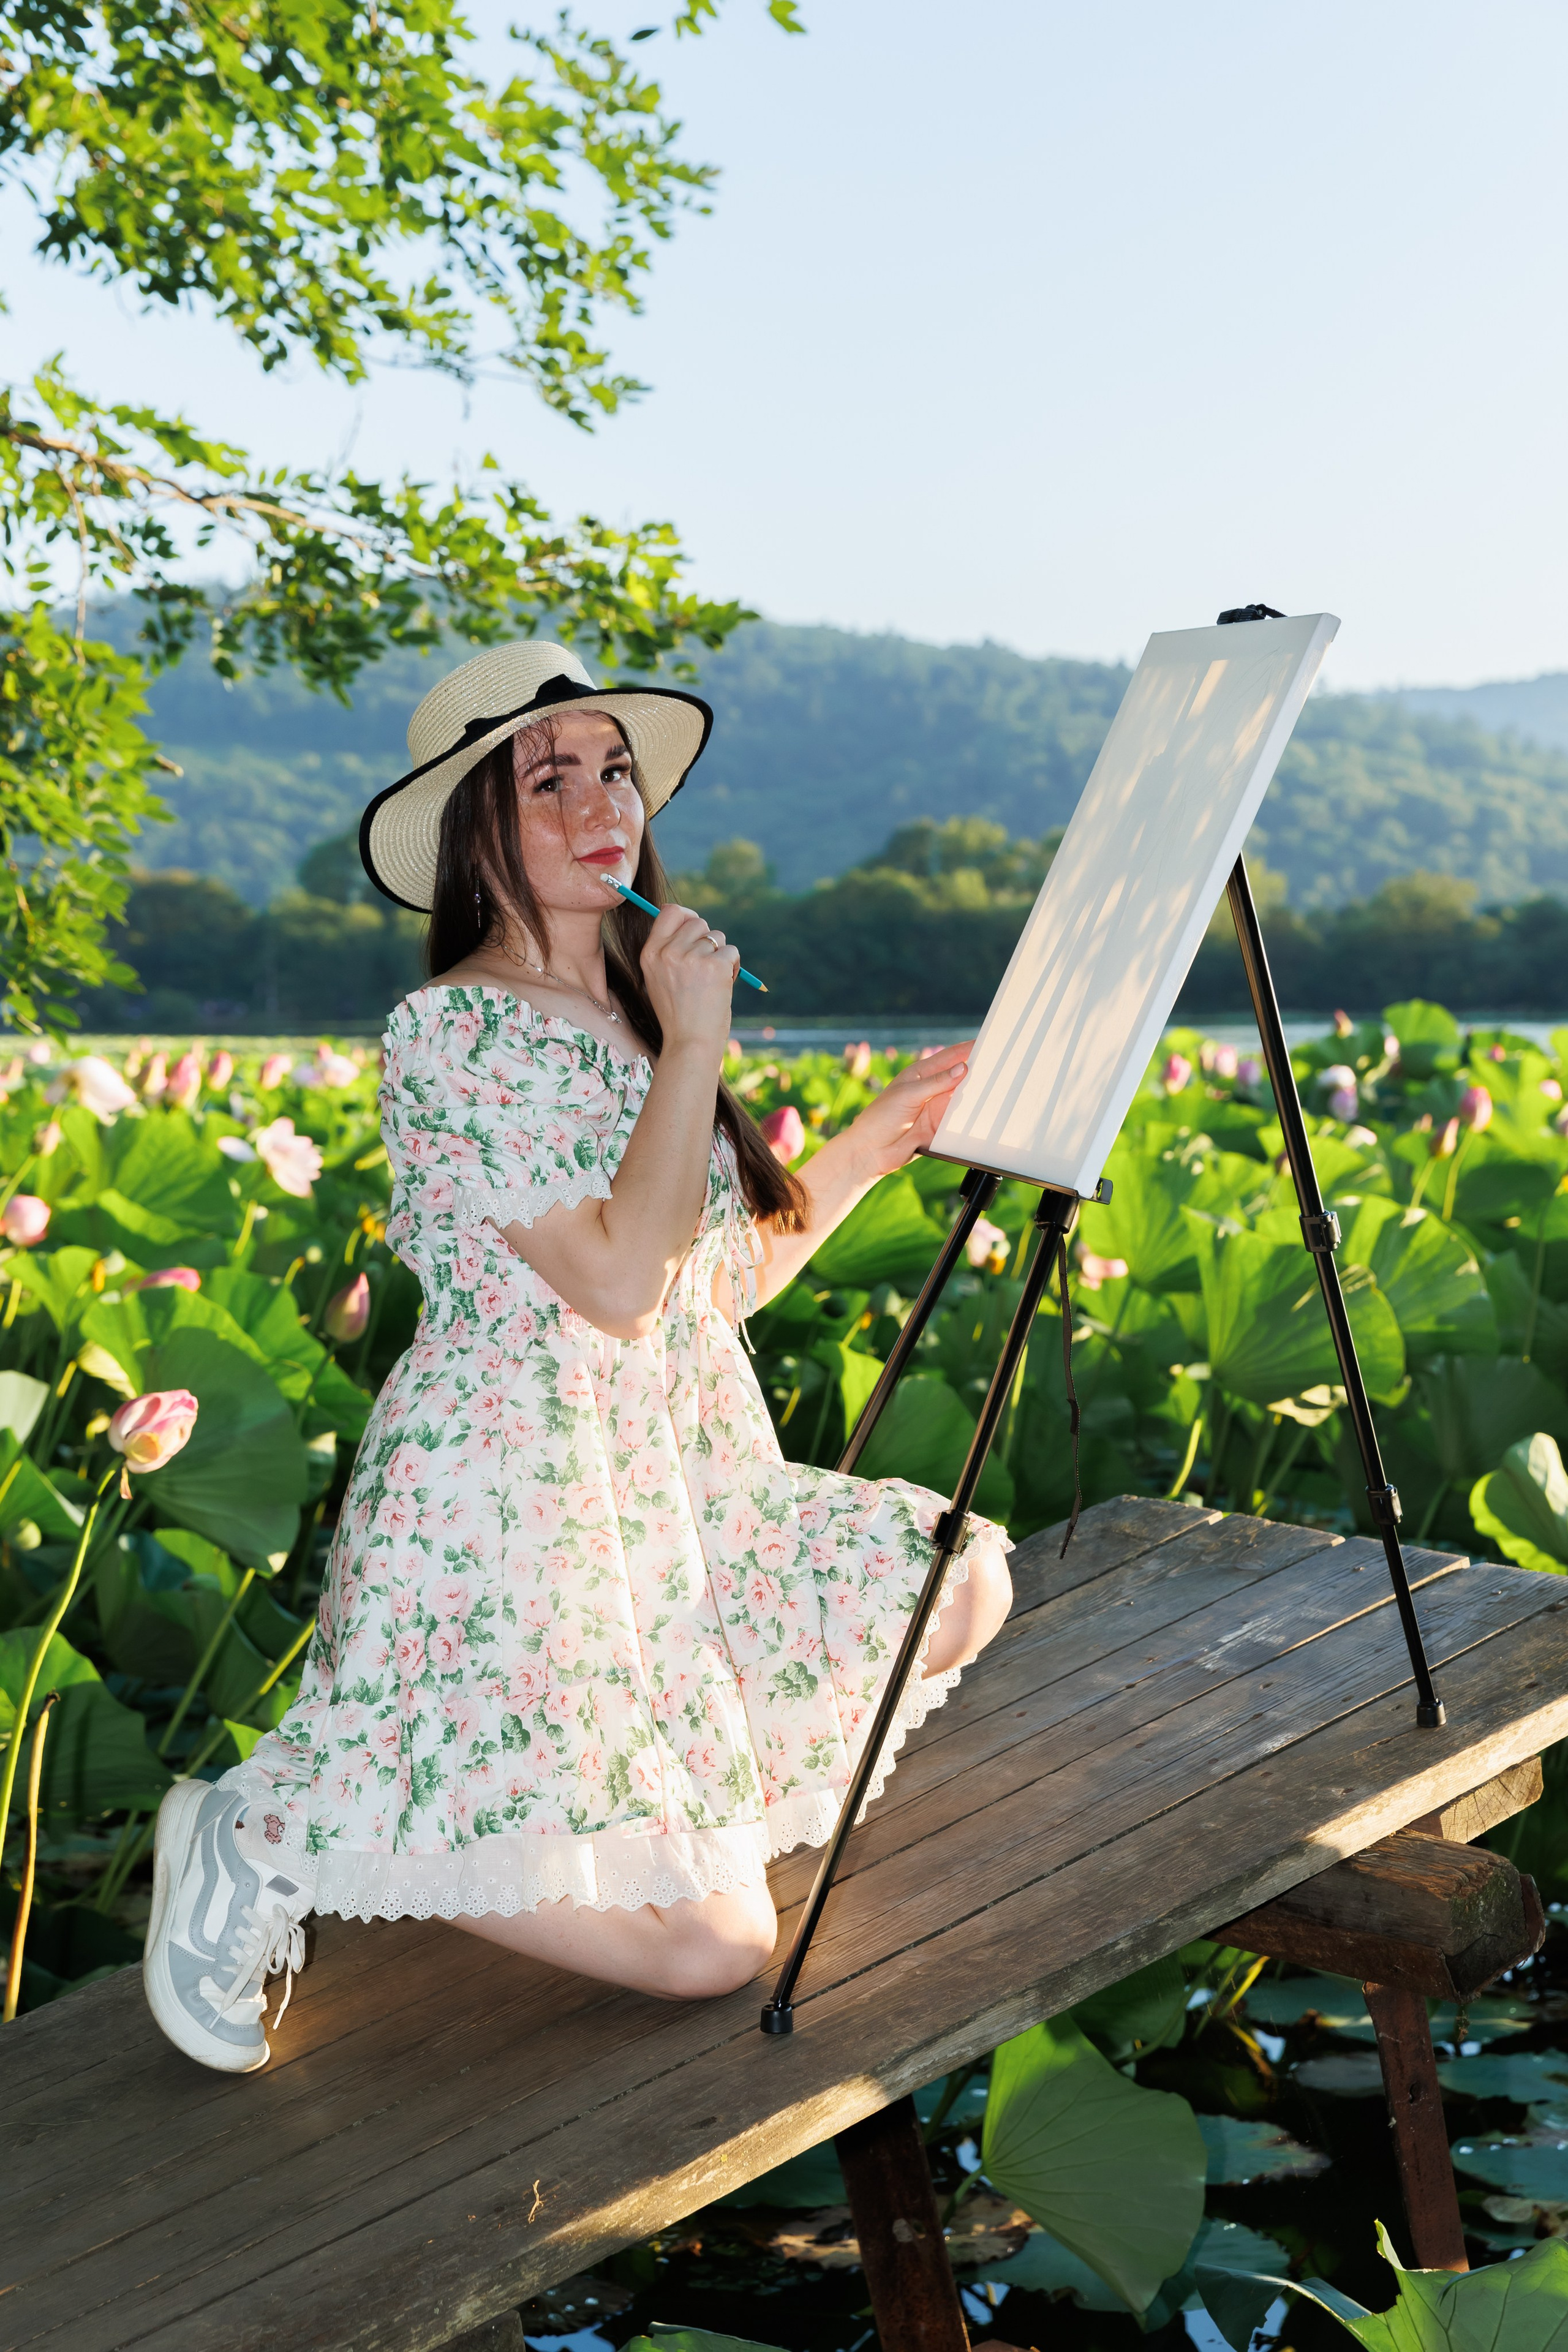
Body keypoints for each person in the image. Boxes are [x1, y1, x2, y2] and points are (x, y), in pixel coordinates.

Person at [141, 641, 1014, 2074]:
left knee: (959, 1579)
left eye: (614, 771)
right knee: (712, 1953)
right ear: (474, 835)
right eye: (548, 782)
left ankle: (636, 1817)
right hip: (521, 1517)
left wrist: (876, 1142)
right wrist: (695, 1045)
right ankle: (270, 1830)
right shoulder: (453, 1031)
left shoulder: (632, 1010)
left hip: (676, 1501)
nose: (601, 804)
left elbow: (705, 1288)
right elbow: (613, 1285)